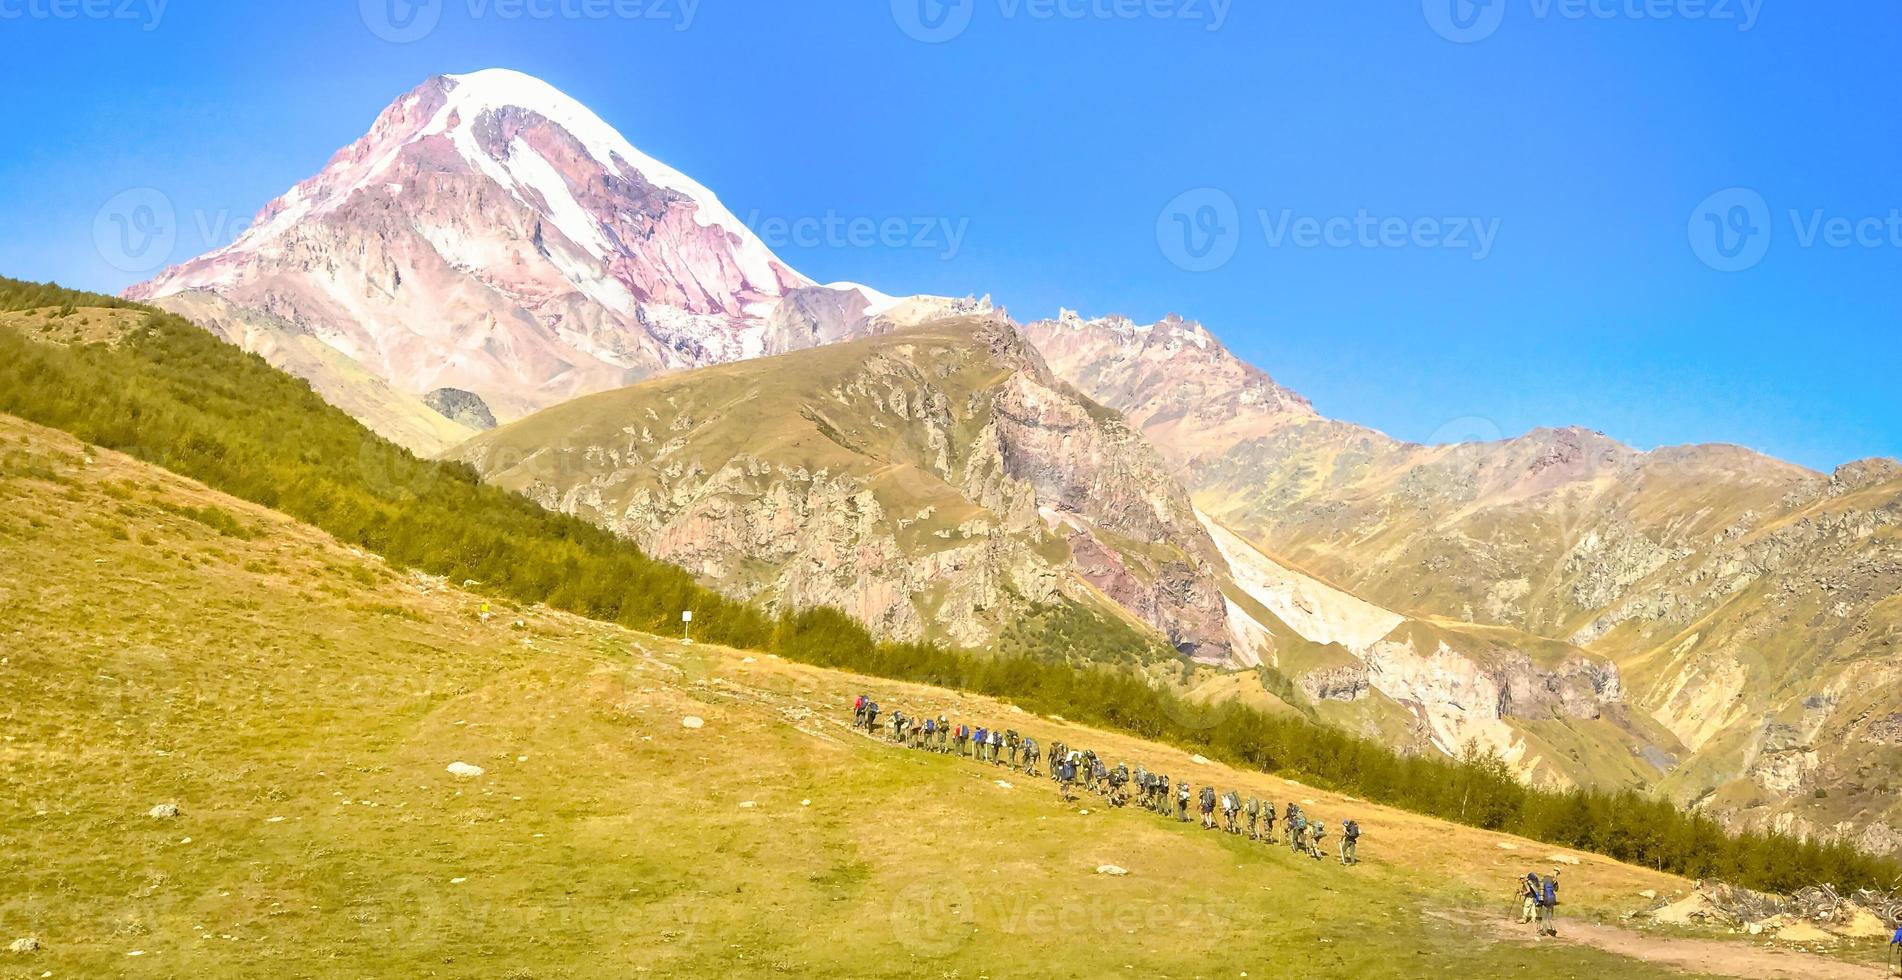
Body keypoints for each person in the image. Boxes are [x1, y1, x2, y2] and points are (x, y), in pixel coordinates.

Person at [1537, 869, 1560, 937]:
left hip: (1546, 901)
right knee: (1550, 917)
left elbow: (1541, 892)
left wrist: (1539, 902)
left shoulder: (1543, 881)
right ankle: (1553, 930)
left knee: (1544, 917)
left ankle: (1544, 931)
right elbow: (1556, 889)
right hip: (1552, 900)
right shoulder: (1553, 881)